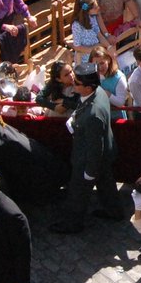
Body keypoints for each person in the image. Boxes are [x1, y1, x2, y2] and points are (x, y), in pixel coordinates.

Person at [51, 64, 122, 233]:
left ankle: (72, 223)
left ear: (88, 87)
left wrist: (89, 172)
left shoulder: (93, 114)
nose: (73, 84)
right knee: (106, 184)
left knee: (77, 192)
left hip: (88, 159)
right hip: (104, 154)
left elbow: (94, 146)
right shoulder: (97, 93)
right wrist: (75, 117)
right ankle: (114, 211)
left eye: (77, 83)